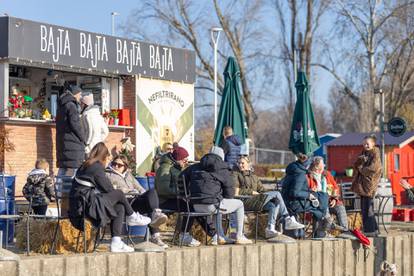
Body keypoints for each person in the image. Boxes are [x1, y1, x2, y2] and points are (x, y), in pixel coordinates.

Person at [69, 142, 151, 253]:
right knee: (119, 193)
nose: (109, 162)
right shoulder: (96, 168)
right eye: (108, 159)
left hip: (80, 204)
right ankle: (132, 216)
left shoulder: (86, 165)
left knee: (119, 207)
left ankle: (116, 242)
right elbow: (109, 189)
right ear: (104, 157)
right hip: (85, 207)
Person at [190, 146, 252, 245]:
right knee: (239, 204)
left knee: (218, 203)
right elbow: (230, 193)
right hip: (212, 205)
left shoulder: (195, 166)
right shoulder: (222, 168)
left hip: (195, 206)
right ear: (221, 157)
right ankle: (239, 236)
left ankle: (220, 236)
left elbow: (181, 177)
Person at [155, 146, 215, 246]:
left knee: (195, 205)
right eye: (184, 159)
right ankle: (184, 235)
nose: (186, 161)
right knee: (190, 206)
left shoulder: (177, 168)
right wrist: (181, 193)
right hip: (163, 201)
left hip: (175, 199)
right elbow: (163, 189)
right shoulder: (164, 168)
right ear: (177, 159)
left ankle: (213, 234)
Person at [232, 156, 304, 238]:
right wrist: (251, 192)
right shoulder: (235, 174)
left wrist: (271, 193)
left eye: (242, 163)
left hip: (255, 201)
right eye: (239, 163)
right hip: (244, 201)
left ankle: (270, 228)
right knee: (277, 194)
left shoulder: (254, 177)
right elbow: (235, 191)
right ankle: (287, 218)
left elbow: (262, 190)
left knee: (275, 203)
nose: (240, 165)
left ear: (248, 164)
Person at [106, 155, 169, 248]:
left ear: (125, 166)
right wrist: (127, 190)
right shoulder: (108, 174)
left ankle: (156, 229)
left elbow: (140, 188)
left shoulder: (128, 175)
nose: (116, 166)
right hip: (124, 202)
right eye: (114, 164)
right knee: (149, 204)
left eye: (119, 165)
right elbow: (111, 190)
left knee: (151, 194)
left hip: (135, 200)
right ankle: (155, 234)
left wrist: (144, 195)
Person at [281, 153, 331, 237]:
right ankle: (321, 230)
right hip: (294, 204)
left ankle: (323, 226)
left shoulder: (294, 170)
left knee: (321, 199)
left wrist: (309, 192)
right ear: (307, 164)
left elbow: (296, 189)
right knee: (321, 202)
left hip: (288, 201)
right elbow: (294, 192)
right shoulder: (300, 174)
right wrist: (309, 195)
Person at [307, 156, 349, 231]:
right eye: (322, 164)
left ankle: (345, 230)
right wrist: (312, 190)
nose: (324, 166)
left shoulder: (327, 174)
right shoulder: (308, 176)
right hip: (317, 203)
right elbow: (306, 190)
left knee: (340, 207)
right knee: (324, 205)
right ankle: (329, 228)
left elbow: (336, 188)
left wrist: (335, 199)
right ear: (316, 166)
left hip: (330, 200)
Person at [351, 134, 382, 237]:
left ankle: (369, 231)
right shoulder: (364, 153)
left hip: (370, 184)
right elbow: (356, 166)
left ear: (373, 144)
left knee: (367, 208)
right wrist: (359, 162)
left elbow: (374, 168)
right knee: (365, 208)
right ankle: (375, 229)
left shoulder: (375, 154)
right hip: (363, 184)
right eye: (364, 143)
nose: (365, 145)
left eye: (367, 144)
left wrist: (361, 169)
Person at [56, 84, 86, 177]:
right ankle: (73, 191)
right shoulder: (72, 106)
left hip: (62, 143)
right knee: (75, 171)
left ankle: (59, 190)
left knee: (63, 169)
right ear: (75, 94)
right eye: (80, 94)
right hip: (73, 144)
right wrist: (83, 139)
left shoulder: (61, 106)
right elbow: (75, 124)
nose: (80, 97)